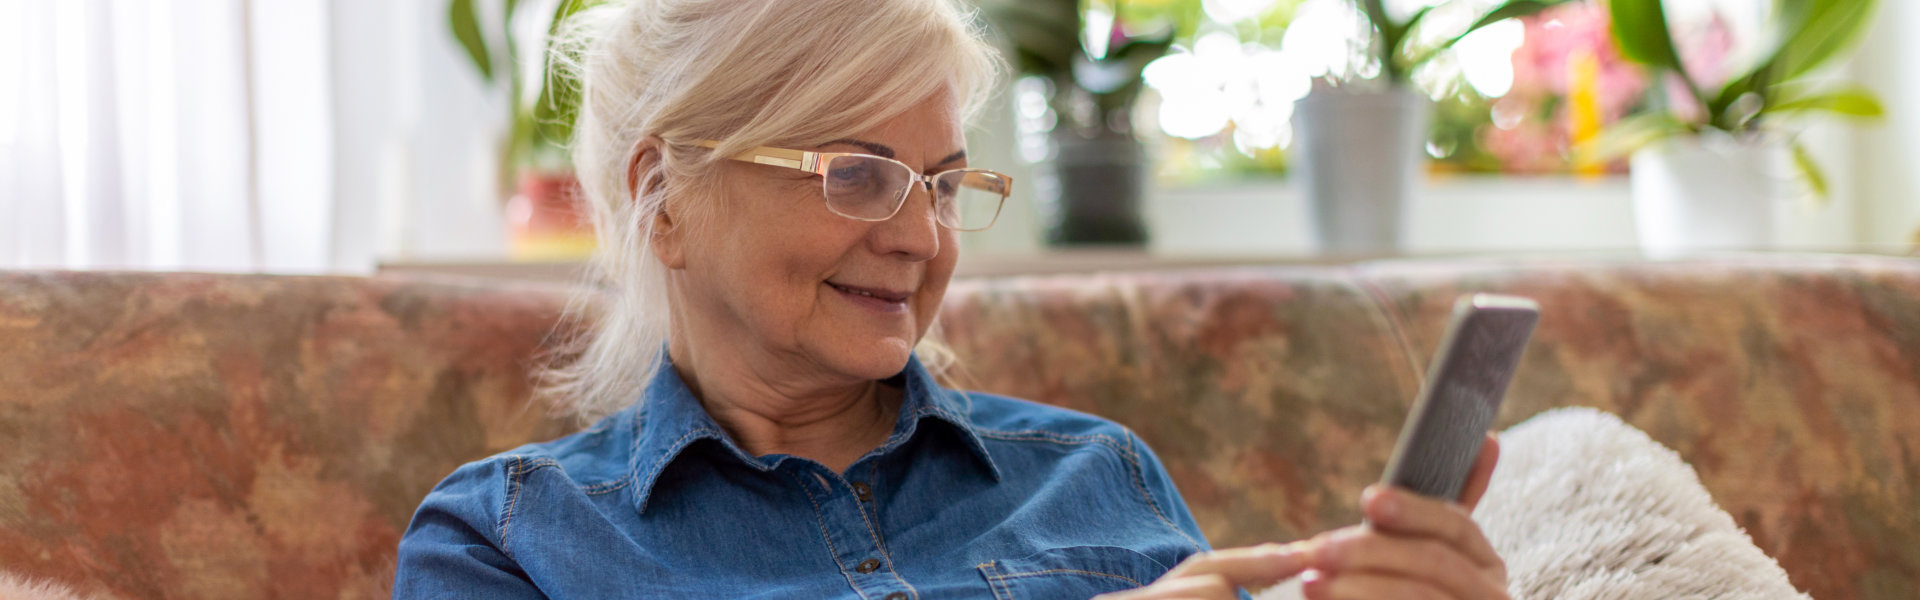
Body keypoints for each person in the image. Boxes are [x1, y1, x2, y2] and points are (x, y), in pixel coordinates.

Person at [394, 0, 1511, 598]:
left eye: (939, 182)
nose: (922, 236)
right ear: (664, 197)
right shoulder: (508, 544)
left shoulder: (1097, 475)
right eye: (858, 173)